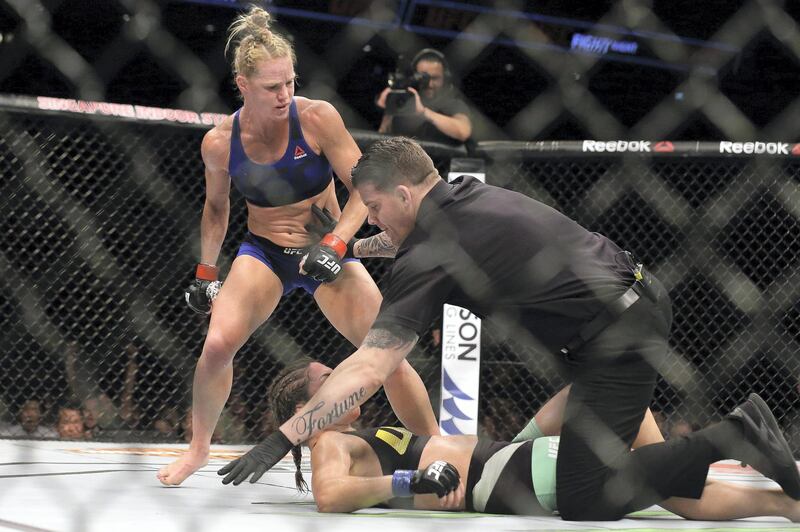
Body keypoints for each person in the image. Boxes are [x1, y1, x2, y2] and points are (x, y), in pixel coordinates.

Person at [219, 137, 800, 521]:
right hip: (620, 312)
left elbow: (371, 365)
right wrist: (348, 245)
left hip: (614, 334)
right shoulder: (463, 197)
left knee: (584, 494)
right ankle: (778, 501)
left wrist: (283, 438)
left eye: (372, 207)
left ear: (402, 192)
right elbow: (406, 241)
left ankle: (735, 434)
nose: (370, 218)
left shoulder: (428, 252)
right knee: (647, 486)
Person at [157, 8, 438, 485]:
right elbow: (216, 210)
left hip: (324, 246)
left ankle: (437, 448)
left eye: (289, 81)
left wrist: (335, 241)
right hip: (264, 252)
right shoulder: (220, 143)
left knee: (386, 355)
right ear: (242, 84)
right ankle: (198, 449)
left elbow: (362, 188)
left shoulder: (315, 117)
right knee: (218, 345)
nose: (285, 94)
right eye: (272, 87)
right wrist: (206, 271)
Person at [266, 358, 800, 521]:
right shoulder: (329, 443)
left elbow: (395, 371)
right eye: (327, 379)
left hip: (511, 461)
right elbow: (330, 495)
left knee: (593, 392)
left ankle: (781, 502)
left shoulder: (359, 430)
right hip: (511, 477)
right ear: (303, 411)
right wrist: (413, 478)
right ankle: (740, 457)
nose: (342, 376)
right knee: (654, 485)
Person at [376, 48, 472, 146]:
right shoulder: (404, 98)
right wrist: (389, 106)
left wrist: (423, 112)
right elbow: (383, 133)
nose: (429, 84)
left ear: (445, 78)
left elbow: (463, 132)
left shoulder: (453, 103)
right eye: (423, 78)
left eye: (435, 78)